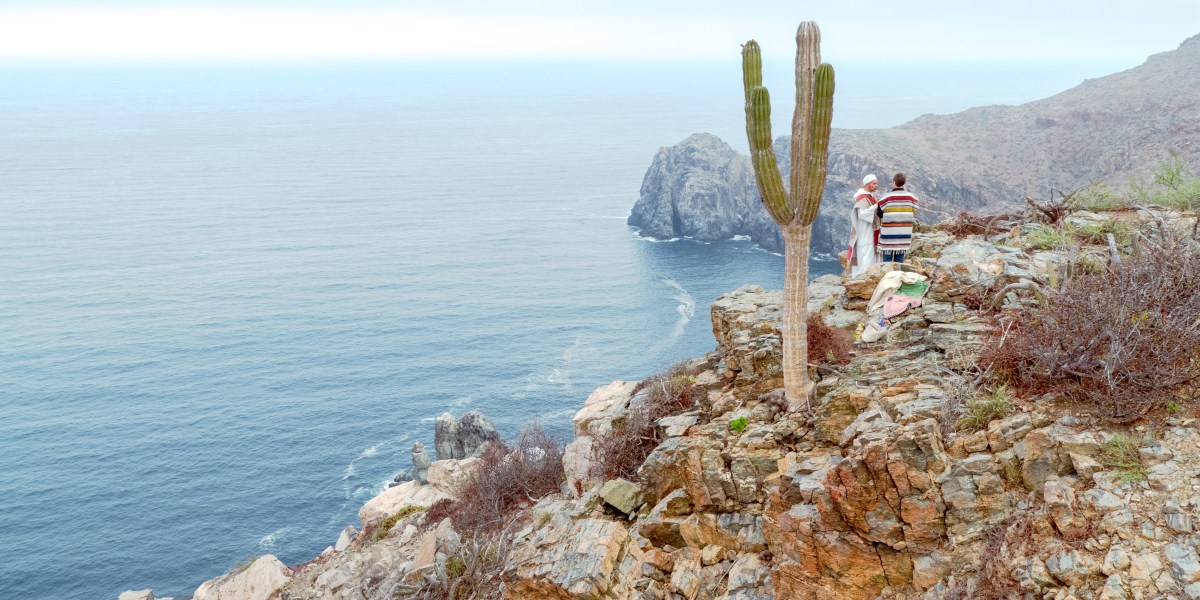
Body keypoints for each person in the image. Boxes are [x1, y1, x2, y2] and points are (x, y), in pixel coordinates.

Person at [875, 172, 918, 263]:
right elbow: (914, 211)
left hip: (888, 236)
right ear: (904, 183)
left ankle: (887, 276)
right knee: (899, 262)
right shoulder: (912, 198)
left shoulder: (886, 198)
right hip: (903, 236)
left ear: (893, 182)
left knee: (886, 263)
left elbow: (879, 213)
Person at [847, 173, 879, 277]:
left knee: (869, 256)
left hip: (870, 232)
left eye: (876, 183)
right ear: (867, 184)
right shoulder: (862, 198)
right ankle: (862, 278)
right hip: (864, 232)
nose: (876, 185)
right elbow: (862, 214)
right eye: (874, 183)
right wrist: (876, 207)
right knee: (865, 256)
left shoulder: (871, 197)